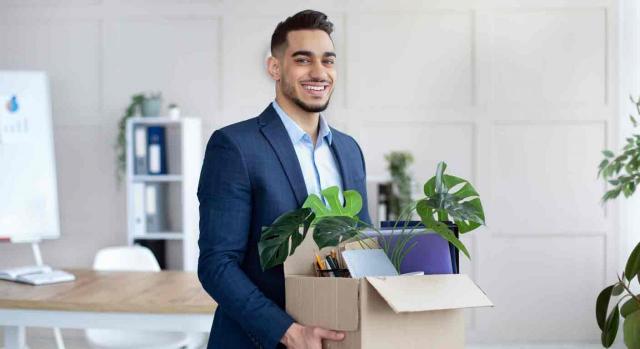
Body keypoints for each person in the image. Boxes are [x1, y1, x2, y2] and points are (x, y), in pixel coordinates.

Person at [197, 9, 371, 349]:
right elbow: (217, 265)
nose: (319, 72)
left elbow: (360, 249)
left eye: (328, 61)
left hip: (339, 337)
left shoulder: (350, 150)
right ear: (274, 68)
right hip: (258, 340)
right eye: (303, 60)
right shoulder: (235, 146)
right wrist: (289, 332)